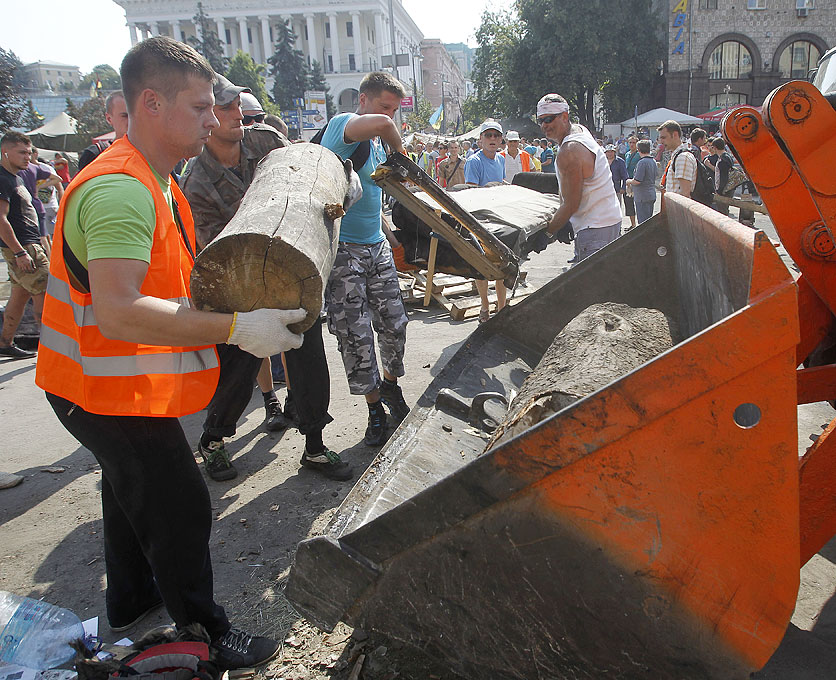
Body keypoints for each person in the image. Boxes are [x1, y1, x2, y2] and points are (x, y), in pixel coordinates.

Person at [34, 36, 300, 668]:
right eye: (202, 106)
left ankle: (130, 600)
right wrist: (236, 327)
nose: (216, 119)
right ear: (151, 103)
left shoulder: (150, 177)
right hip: (102, 394)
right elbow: (120, 309)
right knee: (179, 509)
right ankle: (208, 632)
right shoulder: (122, 190)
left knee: (133, 493)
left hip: (97, 386)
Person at [182, 74, 348, 481]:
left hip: (291, 273)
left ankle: (313, 444)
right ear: (206, 116)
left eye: (238, 105)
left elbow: (304, 172)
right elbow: (209, 251)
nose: (237, 114)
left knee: (307, 357)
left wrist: (339, 184)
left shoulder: (265, 141)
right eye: (225, 108)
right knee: (237, 369)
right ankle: (214, 439)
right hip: (238, 286)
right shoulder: (196, 180)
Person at [320, 71, 411, 447]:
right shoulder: (343, 127)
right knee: (355, 338)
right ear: (363, 100)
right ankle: (374, 408)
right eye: (384, 105)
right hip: (344, 254)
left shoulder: (373, 146)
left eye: (394, 108)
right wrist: (401, 153)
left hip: (376, 247)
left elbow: (373, 203)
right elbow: (386, 126)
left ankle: (389, 386)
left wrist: (392, 240)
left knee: (395, 324)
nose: (390, 115)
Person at [536, 93, 622, 262]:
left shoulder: (569, 151)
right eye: (541, 120)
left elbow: (571, 204)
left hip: (595, 229)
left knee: (593, 287)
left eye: (549, 119)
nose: (545, 125)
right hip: (608, 221)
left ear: (565, 117)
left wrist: (548, 232)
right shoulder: (580, 130)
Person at [0, 132, 51, 359]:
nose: (27, 157)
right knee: (46, 294)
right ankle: (51, 349)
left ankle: (5, 342)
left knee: (19, 297)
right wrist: (21, 251)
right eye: (22, 152)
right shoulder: (3, 178)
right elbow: (1, 219)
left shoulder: (16, 177)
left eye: (29, 152)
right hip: (23, 248)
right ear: (5, 152)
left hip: (24, 247)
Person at [465, 120, 507, 323]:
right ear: (480, 139)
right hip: (480, 221)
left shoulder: (501, 159)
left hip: (500, 218)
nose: (492, 139)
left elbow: (503, 183)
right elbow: (471, 193)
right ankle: (484, 308)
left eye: (496, 136)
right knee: (482, 267)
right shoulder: (474, 161)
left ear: (500, 140)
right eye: (488, 135)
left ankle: (502, 308)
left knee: (502, 266)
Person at [77, 91, 129, 171]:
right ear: (109, 119)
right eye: (125, 116)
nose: (132, 120)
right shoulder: (94, 155)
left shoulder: (152, 154)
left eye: (136, 114)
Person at [658, 119, 697, 200]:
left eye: (664, 137)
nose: (661, 142)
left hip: (678, 211)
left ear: (675, 135)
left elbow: (685, 195)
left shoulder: (682, 158)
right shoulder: (678, 156)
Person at [626, 139, 657, 224]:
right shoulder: (653, 161)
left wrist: (628, 181)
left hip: (642, 196)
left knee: (643, 223)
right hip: (650, 194)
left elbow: (637, 181)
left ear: (638, 149)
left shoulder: (642, 162)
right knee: (648, 221)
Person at [707, 137, 735, 216]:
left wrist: (719, 190)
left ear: (715, 147)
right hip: (728, 188)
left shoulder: (723, 159)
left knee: (723, 212)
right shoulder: (726, 156)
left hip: (724, 190)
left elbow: (724, 177)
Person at [605, 145, 628, 222]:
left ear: (614, 152)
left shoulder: (620, 162)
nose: (610, 154)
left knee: (616, 209)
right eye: (608, 152)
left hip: (616, 188)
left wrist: (623, 187)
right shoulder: (602, 161)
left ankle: (618, 227)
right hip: (605, 189)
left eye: (611, 152)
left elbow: (625, 176)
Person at [623, 136, 640, 229]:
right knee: (629, 203)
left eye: (634, 142)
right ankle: (633, 224)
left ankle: (640, 224)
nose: (632, 144)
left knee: (638, 203)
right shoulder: (627, 154)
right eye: (630, 142)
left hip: (637, 181)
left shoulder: (639, 154)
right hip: (628, 182)